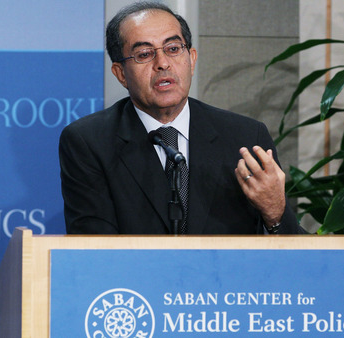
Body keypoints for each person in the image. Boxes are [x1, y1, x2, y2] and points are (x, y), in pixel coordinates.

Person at [59, 1, 305, 235]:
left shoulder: (245, 137)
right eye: (144, 54)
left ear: (192, 59)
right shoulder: (89, 142)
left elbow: (295, 253)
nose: (163, 63)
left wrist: (275, 213)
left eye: (173, 49)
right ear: (120, 73)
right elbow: (91, 248)